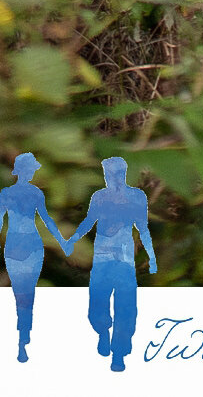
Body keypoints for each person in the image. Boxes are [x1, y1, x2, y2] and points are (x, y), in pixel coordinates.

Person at [64, 156, 157, 372]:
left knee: (125, 307)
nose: (111, 178)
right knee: (97, 305)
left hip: (124, 260)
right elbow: (89, 221)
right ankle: (103, 333)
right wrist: (73, 239)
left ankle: (119, 352)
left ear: (124, 174)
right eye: (108, 174)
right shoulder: (99, 197)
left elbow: (143, 229)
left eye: (115, 173)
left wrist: (151, 256)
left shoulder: (136, 197)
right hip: (102, 257)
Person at [0, 151, 70, 362]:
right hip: (18, 244)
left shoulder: (35, 193)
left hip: (30, 244)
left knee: (28, 293)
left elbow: (46, 219)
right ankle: (20, 340)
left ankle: (25, 340)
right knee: (20, 293)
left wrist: (62, 241)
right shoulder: (9, 193)